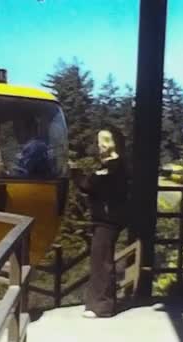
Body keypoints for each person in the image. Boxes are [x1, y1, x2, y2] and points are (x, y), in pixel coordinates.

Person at [69, 126, 129, 318]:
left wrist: (76, 172)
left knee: (102, 260)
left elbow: (89, 186)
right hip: (106, 219)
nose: (101, 144)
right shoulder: (109, 166)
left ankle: (102, 305)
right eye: (99, 140)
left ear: (116, 144)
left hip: (108, 219)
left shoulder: (115, 167)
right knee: (99, 259)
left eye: (106, 140)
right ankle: (97, 304)